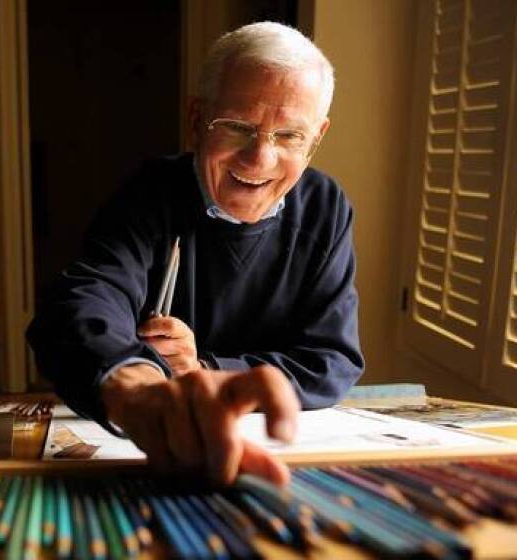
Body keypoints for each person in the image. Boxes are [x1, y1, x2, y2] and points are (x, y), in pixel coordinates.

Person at [27, 22, 364, 486]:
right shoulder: (151, 192)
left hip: (285, 462)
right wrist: (138, 386)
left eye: (289, 136)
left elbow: (332, 360)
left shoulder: (326, 207)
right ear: (196, 117)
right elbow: (82, 302)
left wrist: (205, 369)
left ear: (317, 136)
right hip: (148, 451)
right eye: (237, 127)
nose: (259, 159)